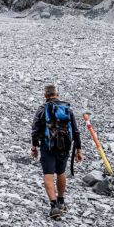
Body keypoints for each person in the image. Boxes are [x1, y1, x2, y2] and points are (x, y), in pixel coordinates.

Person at [31, 84, 83, 219]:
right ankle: (61, 201)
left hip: (48, 146)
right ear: (57, 94)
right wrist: (78, 149)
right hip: (65, 146)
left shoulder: (42, 109)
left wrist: (34, 146)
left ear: (45, 95)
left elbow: (35, 130)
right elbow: (75, 130)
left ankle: (54, 207)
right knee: (61, 172)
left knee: (48, 174)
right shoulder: (67, 109)